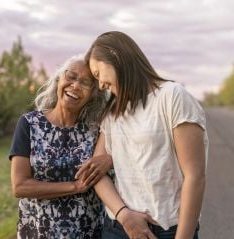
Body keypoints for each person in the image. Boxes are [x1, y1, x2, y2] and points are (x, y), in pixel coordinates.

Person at [77, 31, 209, 239]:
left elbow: (195, 176)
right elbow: (96, 173)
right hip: (119, 228)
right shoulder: (114, 113)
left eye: (97, 73)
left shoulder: (172, 96)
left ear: (116, 56)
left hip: (168, 230)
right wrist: (124, 215)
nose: (100, 84)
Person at [9, 55, 112, 239]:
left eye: (86, 83)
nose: (75, 86)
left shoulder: (98, 129)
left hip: (88, 232)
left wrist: (110, 159)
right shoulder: (29, 124)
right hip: (38, 232)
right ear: (59, 79)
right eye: (71, 76)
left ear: (93, 94)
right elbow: (20, 186)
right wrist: (75, 186)